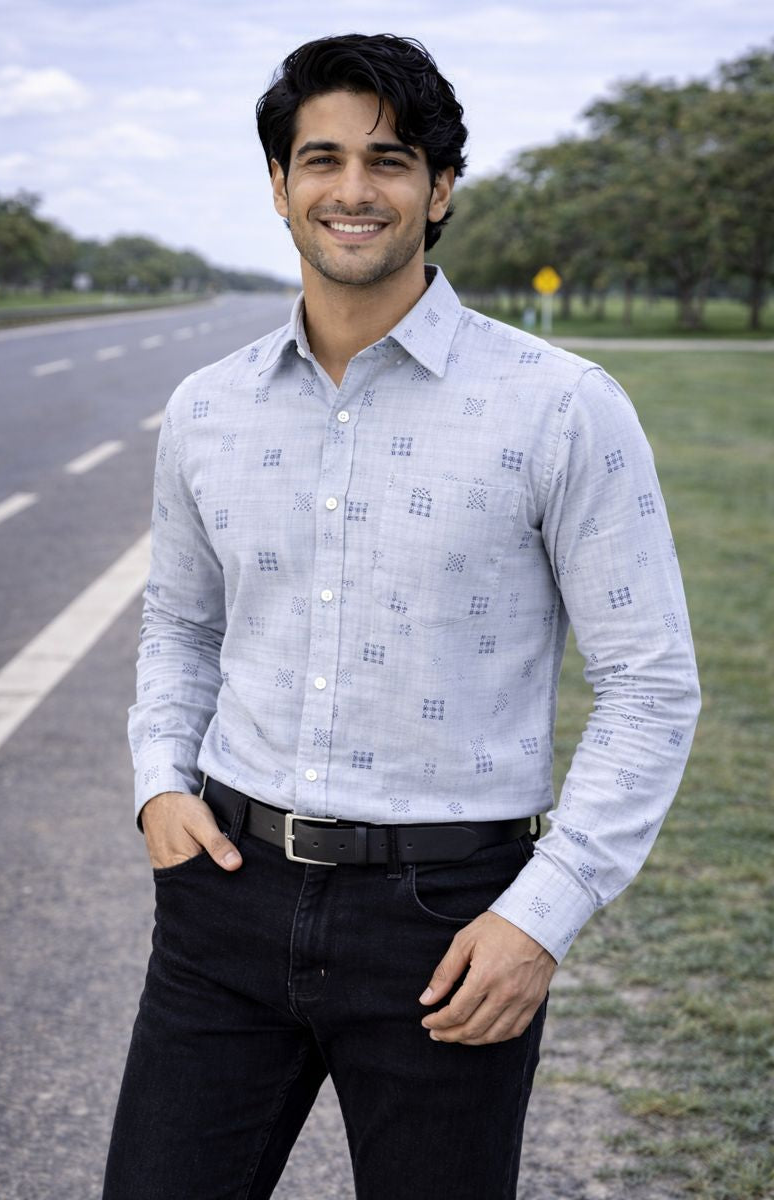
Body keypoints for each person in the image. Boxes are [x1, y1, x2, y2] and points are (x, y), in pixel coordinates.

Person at [102, 33, 700, 1200]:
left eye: (389, 159)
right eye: (320, 158)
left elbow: (647, 685)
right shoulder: (207, 408)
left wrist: (540, 917)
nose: (353, 189)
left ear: (439, 190)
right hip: (224, 901)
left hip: (449, 924)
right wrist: (159, 782)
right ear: (278, 185)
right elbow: (180, 624)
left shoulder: (559, 407)